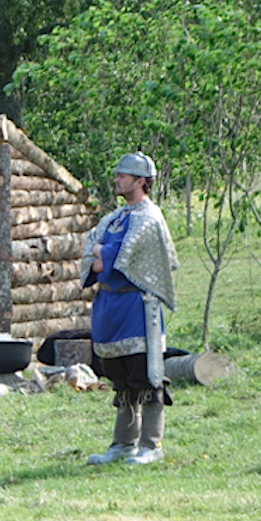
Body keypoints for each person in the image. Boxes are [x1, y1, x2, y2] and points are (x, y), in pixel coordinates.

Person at [82, 151, 179, 466]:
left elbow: (119, 258)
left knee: (147, 375)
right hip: (110, 307)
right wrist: (103, 253)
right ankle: (123, 443)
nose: (116, 180)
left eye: (122, 176)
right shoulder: (114, 218)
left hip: (138, 309)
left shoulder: (150, 218)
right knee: (120, 377)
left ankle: (151, 445)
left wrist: (104, 254)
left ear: (140, 181)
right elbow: (92, 252)